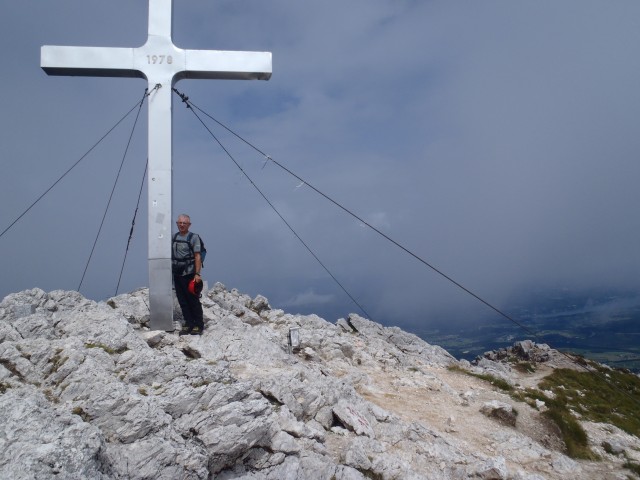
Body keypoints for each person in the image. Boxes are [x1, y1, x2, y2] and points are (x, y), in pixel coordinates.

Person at [172, 214, 204, 335]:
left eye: (184, 223)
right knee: (182, 300)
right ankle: (188, 323)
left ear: (189, 225)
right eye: (179, 223)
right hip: (177, 274)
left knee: (193, 300)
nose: (181, 225)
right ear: (177, 224)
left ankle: (198, 325)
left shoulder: (193, 237)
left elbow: (197, 256)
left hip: (190, 274)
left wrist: (197, 274)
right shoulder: (174, 237)